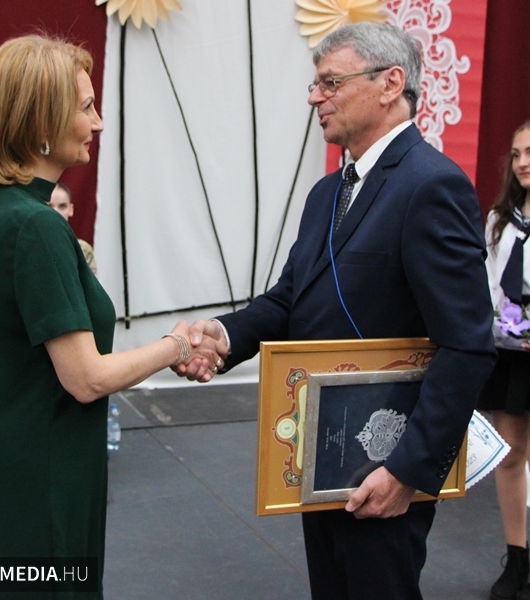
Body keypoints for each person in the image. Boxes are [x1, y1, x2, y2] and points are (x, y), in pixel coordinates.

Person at [177, 22, 496, 600]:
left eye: (330, 83)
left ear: (390, 83)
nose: (313, 98)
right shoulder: (328, 192)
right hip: (321, 452)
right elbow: (290, 298)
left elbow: (467, 343)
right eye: (314, 84)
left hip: (385, 461)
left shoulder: (432, 185)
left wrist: (406, 471)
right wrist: (224, 335)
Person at [0, 34, 217, 599]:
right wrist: (176, 345)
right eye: (85, 107)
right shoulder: (36, 226)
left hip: (8, 468)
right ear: (41, 121)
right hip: (43, 479)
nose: (97, 122)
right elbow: (87, 378)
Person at [477, 120, 530, 600]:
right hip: (511, 355)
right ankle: (517, 557)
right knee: (510, 454)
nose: (523, 162)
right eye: (516, 154)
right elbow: (489, 287)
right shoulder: (500, 220)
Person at [49, 180, 98, 274]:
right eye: (49, 206)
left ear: (71, 209)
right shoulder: (32, 245)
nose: (56, 212)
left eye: (62, 206)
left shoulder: (83, 250)